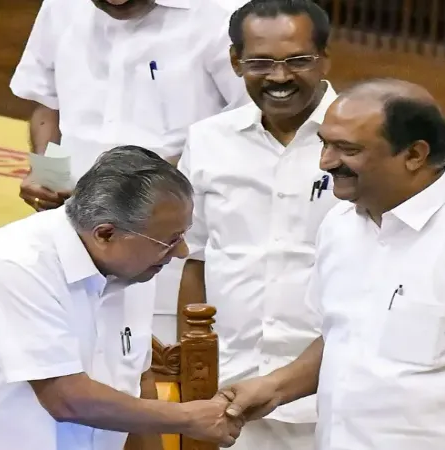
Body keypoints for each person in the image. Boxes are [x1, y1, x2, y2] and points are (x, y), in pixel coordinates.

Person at [217, 79, 445, 450]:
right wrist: (276, 387)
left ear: (414, 155)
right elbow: (345, 336)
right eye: (324, 143)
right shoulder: (337, 226)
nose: (325, 162)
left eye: (347, 149)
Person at [0, 147, 242, 450]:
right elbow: (65, 398)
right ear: (105, 234)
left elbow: (138, 382)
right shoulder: (15, 262)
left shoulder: (136, 266)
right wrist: (186, 417)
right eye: (171, 240)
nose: (181, 251)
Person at [176, 0, 336, 448]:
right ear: (235, 61)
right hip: (233, 394)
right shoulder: (207, 141)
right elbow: (196, 258)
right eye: (260, 62)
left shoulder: (366, 142)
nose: (279, 77)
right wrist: (195, 374)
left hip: (336, 392)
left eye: (297, 60)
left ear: (325, 58)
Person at [11, 0, 251, 212]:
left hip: (181, 219)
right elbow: (48, 103)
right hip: (72, 213)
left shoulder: (227, 17)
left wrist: (140, 188)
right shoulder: (60, 6)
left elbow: (248, 125)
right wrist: (47, 175)